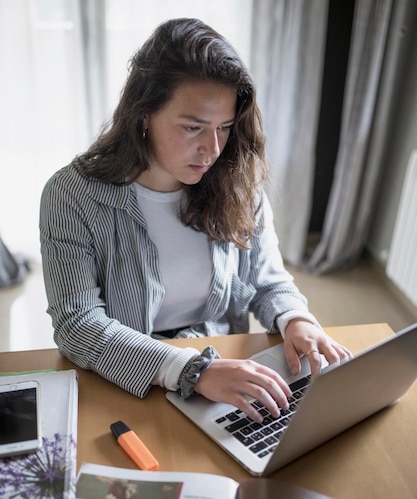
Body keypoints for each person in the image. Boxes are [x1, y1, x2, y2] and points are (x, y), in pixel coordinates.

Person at [40, 17, 351, 424]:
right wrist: (191, 370)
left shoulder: (235, 180)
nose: (213, 149)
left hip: (224, 371)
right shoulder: (72, 194)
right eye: (193, 127)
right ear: (144, 115)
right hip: (128, 379)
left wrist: (296, 318)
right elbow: (77, 324)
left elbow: (266, 278)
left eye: (224, 127)